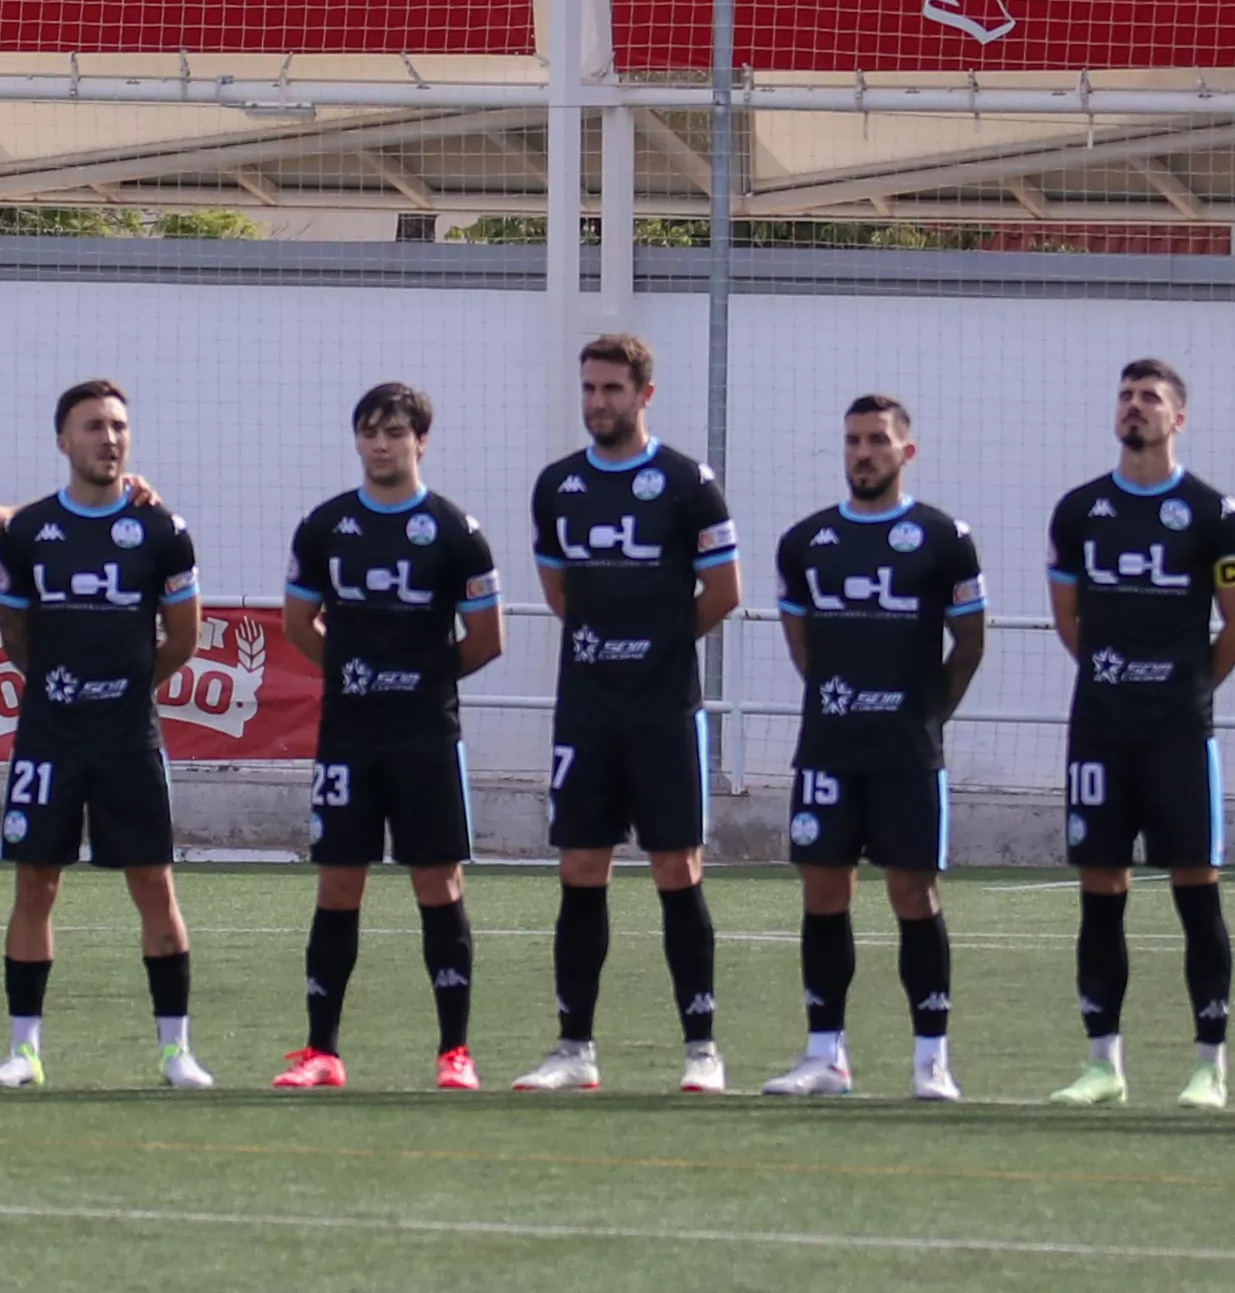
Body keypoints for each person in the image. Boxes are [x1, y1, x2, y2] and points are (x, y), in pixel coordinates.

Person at [524, 332, 737, 1096]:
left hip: (664, 712)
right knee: (581, 866)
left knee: (676, 867)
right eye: (588, 388)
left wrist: (655, 645)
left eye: (611, 389)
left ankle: (701, 1048)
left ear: (644, 395)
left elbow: (723, 591)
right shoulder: (557, 487)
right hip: (587, 710)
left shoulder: (687, 484)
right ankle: (574, 1047)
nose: (597, 403)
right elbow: (560, 595)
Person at [275, 381, 504, 1090]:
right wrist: (353, 674)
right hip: (349, 737)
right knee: (339, 884)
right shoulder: (324, 527)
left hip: (426, 740)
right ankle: (322, 1053)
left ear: (421, 441)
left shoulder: (456, 531)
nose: (381, 443)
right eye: (370, 431)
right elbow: (297, 625)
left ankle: (454, 1053)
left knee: (438, 883)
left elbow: (487, 640)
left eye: (396, 431)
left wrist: (422, 681)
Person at [1044, 357, 1235, 1111]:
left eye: (1151, 398)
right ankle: (1104, 1063)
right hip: (1100, 731)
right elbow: (1069, 620)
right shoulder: (1078, 512)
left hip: (1178, 736)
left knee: (1195, 890)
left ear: (1179, 417)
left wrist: (1186, 690)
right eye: (1127, 396)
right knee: (1101, 891)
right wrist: (1115, 679)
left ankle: (1211, 1065)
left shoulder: (1214, 513)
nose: (1135, 407)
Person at [764, 393, 988, 1100]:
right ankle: (825, 1055)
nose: (863, 452)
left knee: (912, 894)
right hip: (829, 749)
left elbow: (970, 644)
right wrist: (845, 701)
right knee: (824, 893)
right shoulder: (806, 543)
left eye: (878, 441)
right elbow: (803, 647)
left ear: (906, 452)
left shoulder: (944, 538)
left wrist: (926, 718)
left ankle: (931, 1061)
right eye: (854, 440)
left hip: (906, 754)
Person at [0, 378, 207, 1092]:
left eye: (118, 426)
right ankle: (25, 1052)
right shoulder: (28, 532)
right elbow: (15, 633)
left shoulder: (161, 529)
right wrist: (60, 684)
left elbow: (183, 635)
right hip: (50, 737)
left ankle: (177, 1052)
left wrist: (130, 684)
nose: (109, 438)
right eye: (93, 426)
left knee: (153, 882)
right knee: (35, 883)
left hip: (127, 740)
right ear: (63, 440)